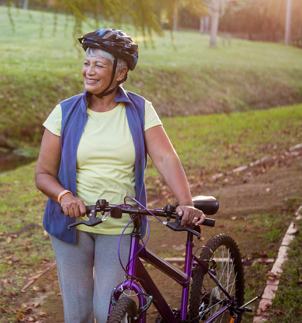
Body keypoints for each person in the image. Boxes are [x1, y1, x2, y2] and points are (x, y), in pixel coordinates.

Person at [34, 29, 205, 323]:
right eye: (87, 63)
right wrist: (64, 196)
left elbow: (165, 157)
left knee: (107, 311)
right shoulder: (64, 111)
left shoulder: (140, 110)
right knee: (77, 315)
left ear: (121, 72)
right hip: (72, 223)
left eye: (99, 65)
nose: (89, 71)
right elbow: (43, 174)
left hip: (121, 225)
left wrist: (185, 201)